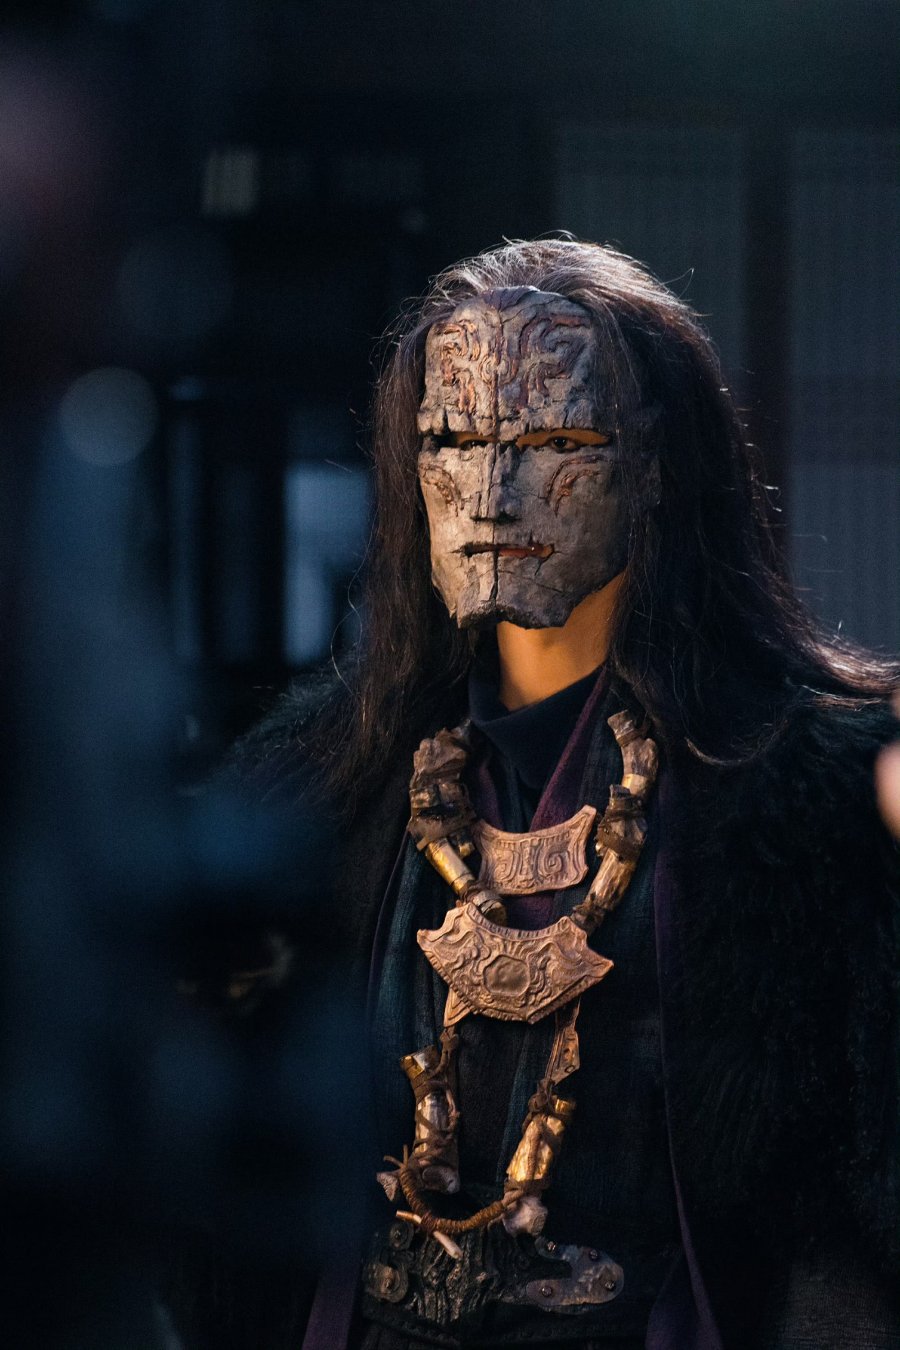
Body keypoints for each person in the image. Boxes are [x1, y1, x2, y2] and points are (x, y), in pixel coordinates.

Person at [216, 239, 900, 1350]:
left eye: (554, 445)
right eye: (454, 441)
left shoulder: (815, 800)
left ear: (656, 467)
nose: (491, 495)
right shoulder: (315, 787)